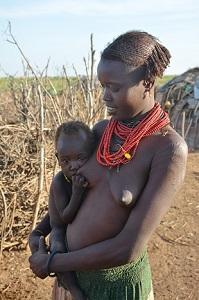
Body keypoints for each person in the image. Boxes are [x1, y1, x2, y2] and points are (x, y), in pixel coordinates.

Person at [29, 30, 188, 300]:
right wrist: (40, 232)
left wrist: (53, 263)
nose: (105, 96)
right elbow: (71, 188)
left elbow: (128, 248)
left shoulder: (168, 149)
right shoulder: (102, 131)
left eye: (114, 88)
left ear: (147, 83)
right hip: (71, 280)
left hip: (116, 289)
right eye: (102, 86)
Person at [29, 121, 95, 300]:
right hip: (59, 228)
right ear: (57, 158)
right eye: (66, 160)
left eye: (81, 158)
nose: (73, 165)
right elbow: (65, 217)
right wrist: (77, 193)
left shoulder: (88, 177)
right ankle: (75, 291)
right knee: (58, 251)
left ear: (93, 154)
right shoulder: (60, 182)